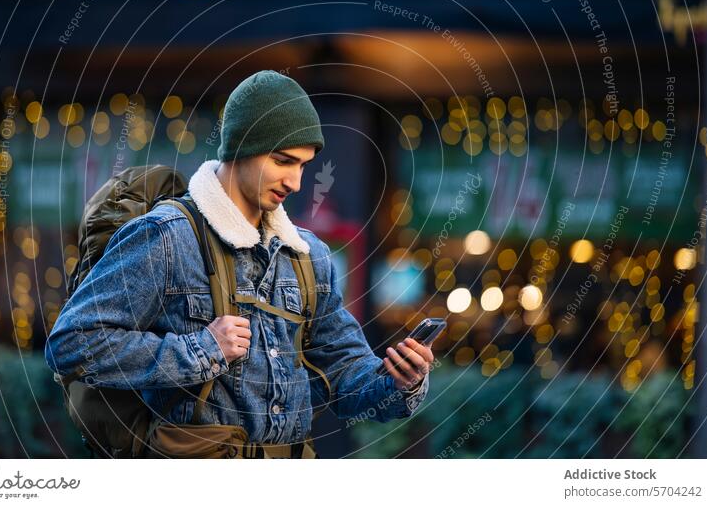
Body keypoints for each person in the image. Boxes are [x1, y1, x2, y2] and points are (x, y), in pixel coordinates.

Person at [45, 70, 433, 457]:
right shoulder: (167, 237)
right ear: (243, 145)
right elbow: (71, 345)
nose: (296, 181)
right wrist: (202, 350)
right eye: (283, 161)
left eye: (304, 165)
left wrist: (400, 381)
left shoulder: (308, 256)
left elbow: (346, 375)